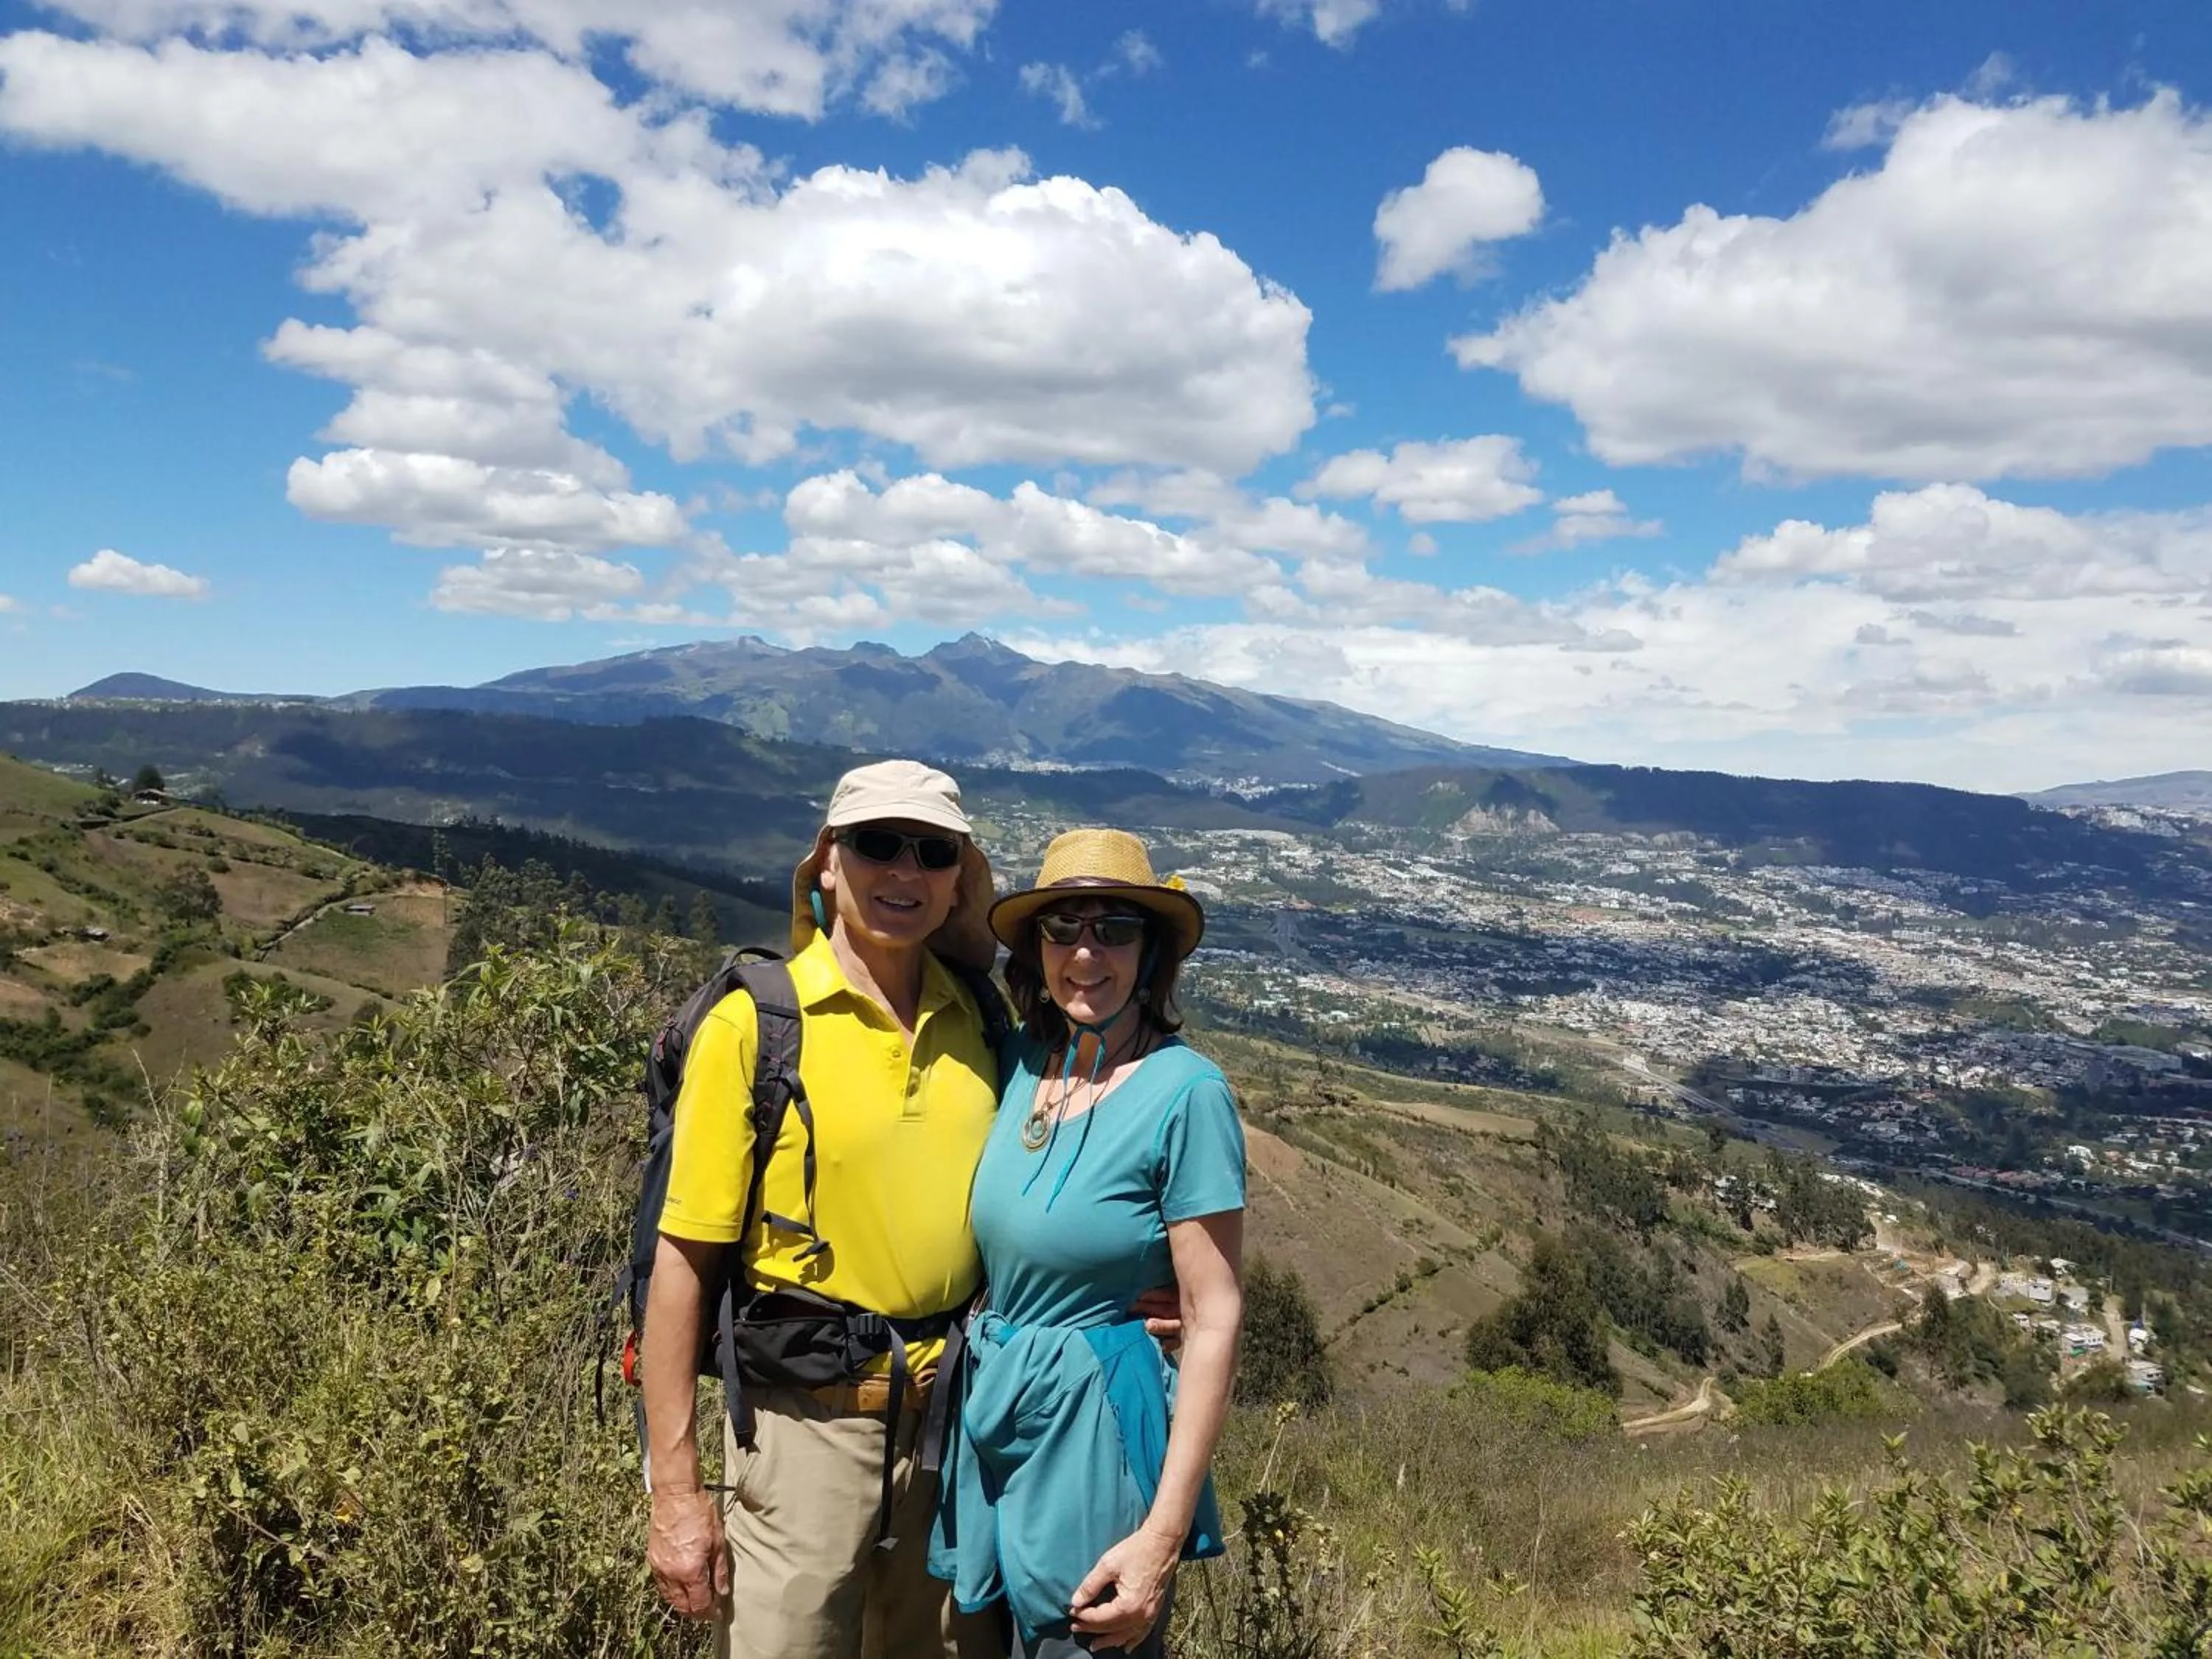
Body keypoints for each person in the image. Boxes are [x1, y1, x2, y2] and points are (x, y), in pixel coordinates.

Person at [640, 758, 1005, 1659]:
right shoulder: (756, 1026)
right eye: (879, 844)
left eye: (932, 851)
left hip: (956, 1434)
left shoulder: (986, 1025)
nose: (904, 872)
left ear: (959, 881)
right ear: (830, 863)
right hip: (800, 1434)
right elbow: (683, 1264)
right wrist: (676, 1494)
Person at [933, 828, 1246, 1658]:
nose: (1085, 953)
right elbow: (948, 938)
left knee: (1078, 1638)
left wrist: (1162, 1537)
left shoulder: (1189, 1095)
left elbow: (1214, 1316)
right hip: (993, 1400)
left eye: (1115, 929)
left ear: (1153, 955)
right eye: (1062, 927)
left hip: (1096, 1423)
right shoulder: (1026, 1062)